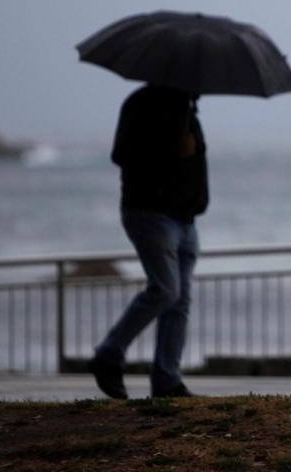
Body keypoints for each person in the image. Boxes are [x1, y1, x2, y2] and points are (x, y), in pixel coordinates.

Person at [88, 84, 208, 399]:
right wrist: (173, 150)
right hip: (151, 213)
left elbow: (193, 163)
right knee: (166, 290)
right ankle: (109, 353)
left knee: (179, 301)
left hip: (185, 219)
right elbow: (123, 155)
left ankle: (167, 379)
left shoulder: (188, 109)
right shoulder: (142, 103)